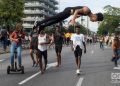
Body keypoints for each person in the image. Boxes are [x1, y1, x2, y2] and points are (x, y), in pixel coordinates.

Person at [35, 6, 104, 32]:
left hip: (69, 13)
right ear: (95, 16)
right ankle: (39, 23)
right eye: (95, 20)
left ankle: (42, 26)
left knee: (56, 20)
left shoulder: (87, 14)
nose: (94, 21)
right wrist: (73, 20)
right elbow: (76, 11)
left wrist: (74, 18)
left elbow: (78, 14)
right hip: (68, 10)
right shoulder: (87, 10)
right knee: (55, 17)